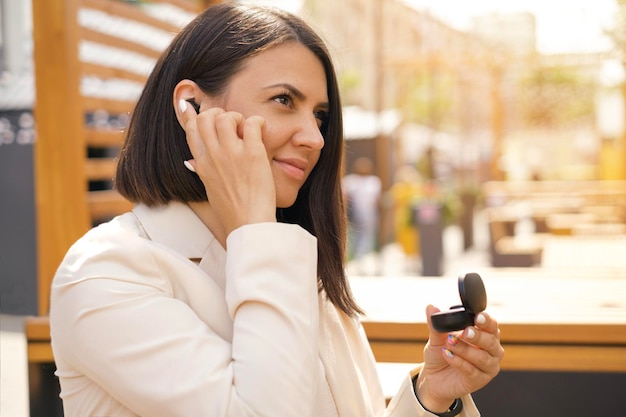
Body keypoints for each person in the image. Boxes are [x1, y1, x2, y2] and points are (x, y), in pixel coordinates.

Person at [49, 3, 504, 417]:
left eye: (320, 115)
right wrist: (255, 226)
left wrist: (430, 398)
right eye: (284, 100)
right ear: (192, 105)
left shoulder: (293, 261)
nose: (315, 137)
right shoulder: (106, 274)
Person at [342, 157, 382, 261]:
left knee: (361, 236)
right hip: (360, 214)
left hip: (363, 215)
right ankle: (359, 256)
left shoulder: (352, 181)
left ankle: (360, 256)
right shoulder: (371, 182)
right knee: (361, 236)